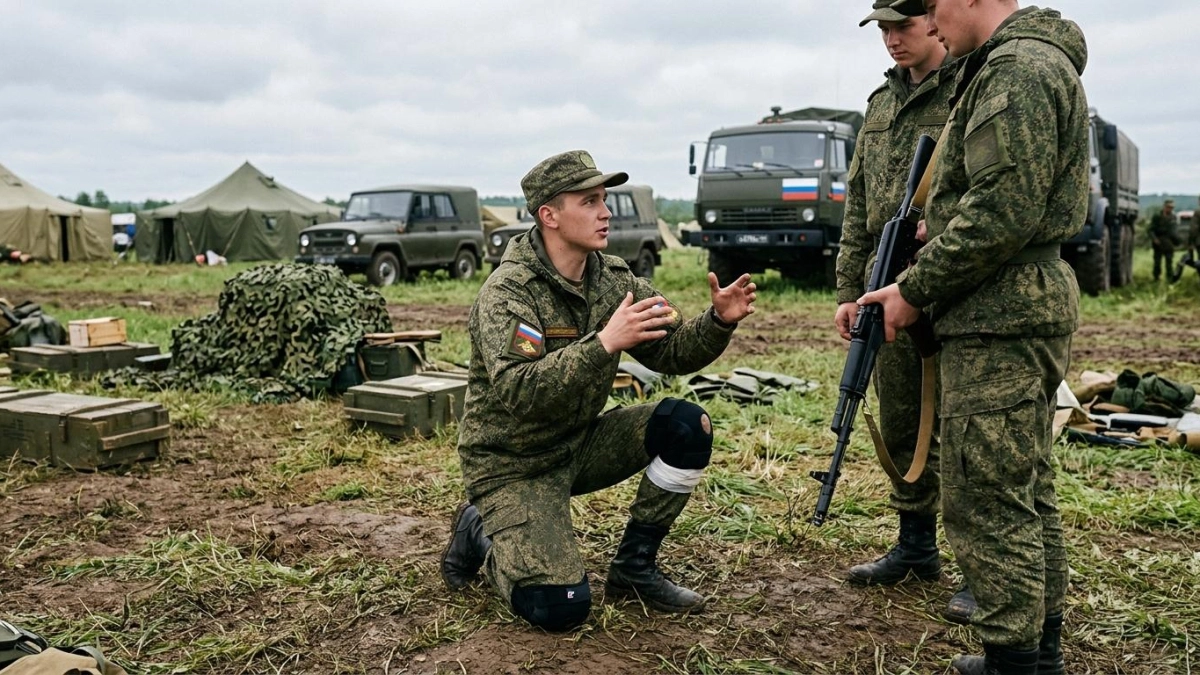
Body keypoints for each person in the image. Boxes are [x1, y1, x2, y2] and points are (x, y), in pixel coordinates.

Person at [859, 1, 1088, 672]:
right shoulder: (1018, 65)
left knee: (987, 495)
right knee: (1022, 485)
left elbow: (1004, 210)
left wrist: (914, 287)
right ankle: (1035, 651)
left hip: (1000, 311)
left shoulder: (1013, 71)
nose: (928, 22)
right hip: (1009, 304)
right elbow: (1001, 198)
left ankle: (1014, 657)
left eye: (931, 6)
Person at [440, 150, 757, 632]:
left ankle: (635, 568)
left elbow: (673, 352)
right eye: (589, 202)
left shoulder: (614, 279)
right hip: (512, 464)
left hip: (578, 444)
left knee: (687, 425)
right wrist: (605, 341)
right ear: (549, 215)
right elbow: (521, 391)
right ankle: (481, 536)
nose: (605, 211)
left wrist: (718, 321)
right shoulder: (509, 292)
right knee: (560, 608)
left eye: (604, 199)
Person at [835, 0, 976, 625]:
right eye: (883, 29)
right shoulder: (880, 104)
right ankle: (917, 546)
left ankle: (983, 570)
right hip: (885, 283)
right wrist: (848, 288)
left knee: (971, 431)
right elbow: (859, 202)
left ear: (934, 20)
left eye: (903, 26)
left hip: (956, 279)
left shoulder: (971, 86)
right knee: (901, 417)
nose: (892, 39)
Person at [1149, 200, 1180, 282]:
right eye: (1168, 207)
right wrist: (1154, 239)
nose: (1170, 209)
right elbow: (1150, 230)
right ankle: (1156, 277)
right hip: (1158, 241)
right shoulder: (1157, 216)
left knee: (1169, 262)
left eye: (1172, 207)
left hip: (1169, 242)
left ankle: (1169, 278)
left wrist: (1177, 241)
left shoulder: (1173, 217)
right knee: (1157, 262)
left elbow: (1175, 231)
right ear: (1164, 207)